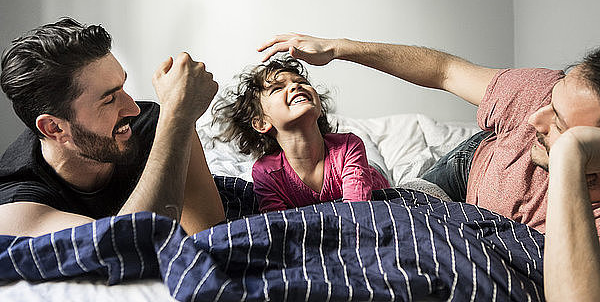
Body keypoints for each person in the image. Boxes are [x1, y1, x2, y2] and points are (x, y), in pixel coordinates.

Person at [257, 33, 600, 237]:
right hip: (467, 168)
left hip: (481, 220)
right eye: (551, 100)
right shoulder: (537, 92)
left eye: (558, 121)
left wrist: (567, 163)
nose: (533, 118)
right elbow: (445, 71)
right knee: (404, 199)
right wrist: (337, 47)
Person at [0, 18, 225, 237]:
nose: (133, 109)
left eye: (123, 87)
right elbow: (127, 247)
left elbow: (209, 235)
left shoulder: (152, 123)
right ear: (54, 128)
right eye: (108, 100)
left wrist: (173, 118)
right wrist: (178, 117)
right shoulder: (16, 201)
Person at [212, 55, 390, 212]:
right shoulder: (265, 172)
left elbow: (358, 211)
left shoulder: (349, 145)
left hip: (371, 172)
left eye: (302, 82)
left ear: (318, 108)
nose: (295, 85)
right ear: (261, 123)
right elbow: (278, 225)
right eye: (277, 88)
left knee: (366, 142)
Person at [544, 126, 600, 301]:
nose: (534, 119)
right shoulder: (534, 103)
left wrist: (569, 148)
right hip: (473, 157)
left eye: (560, 124)